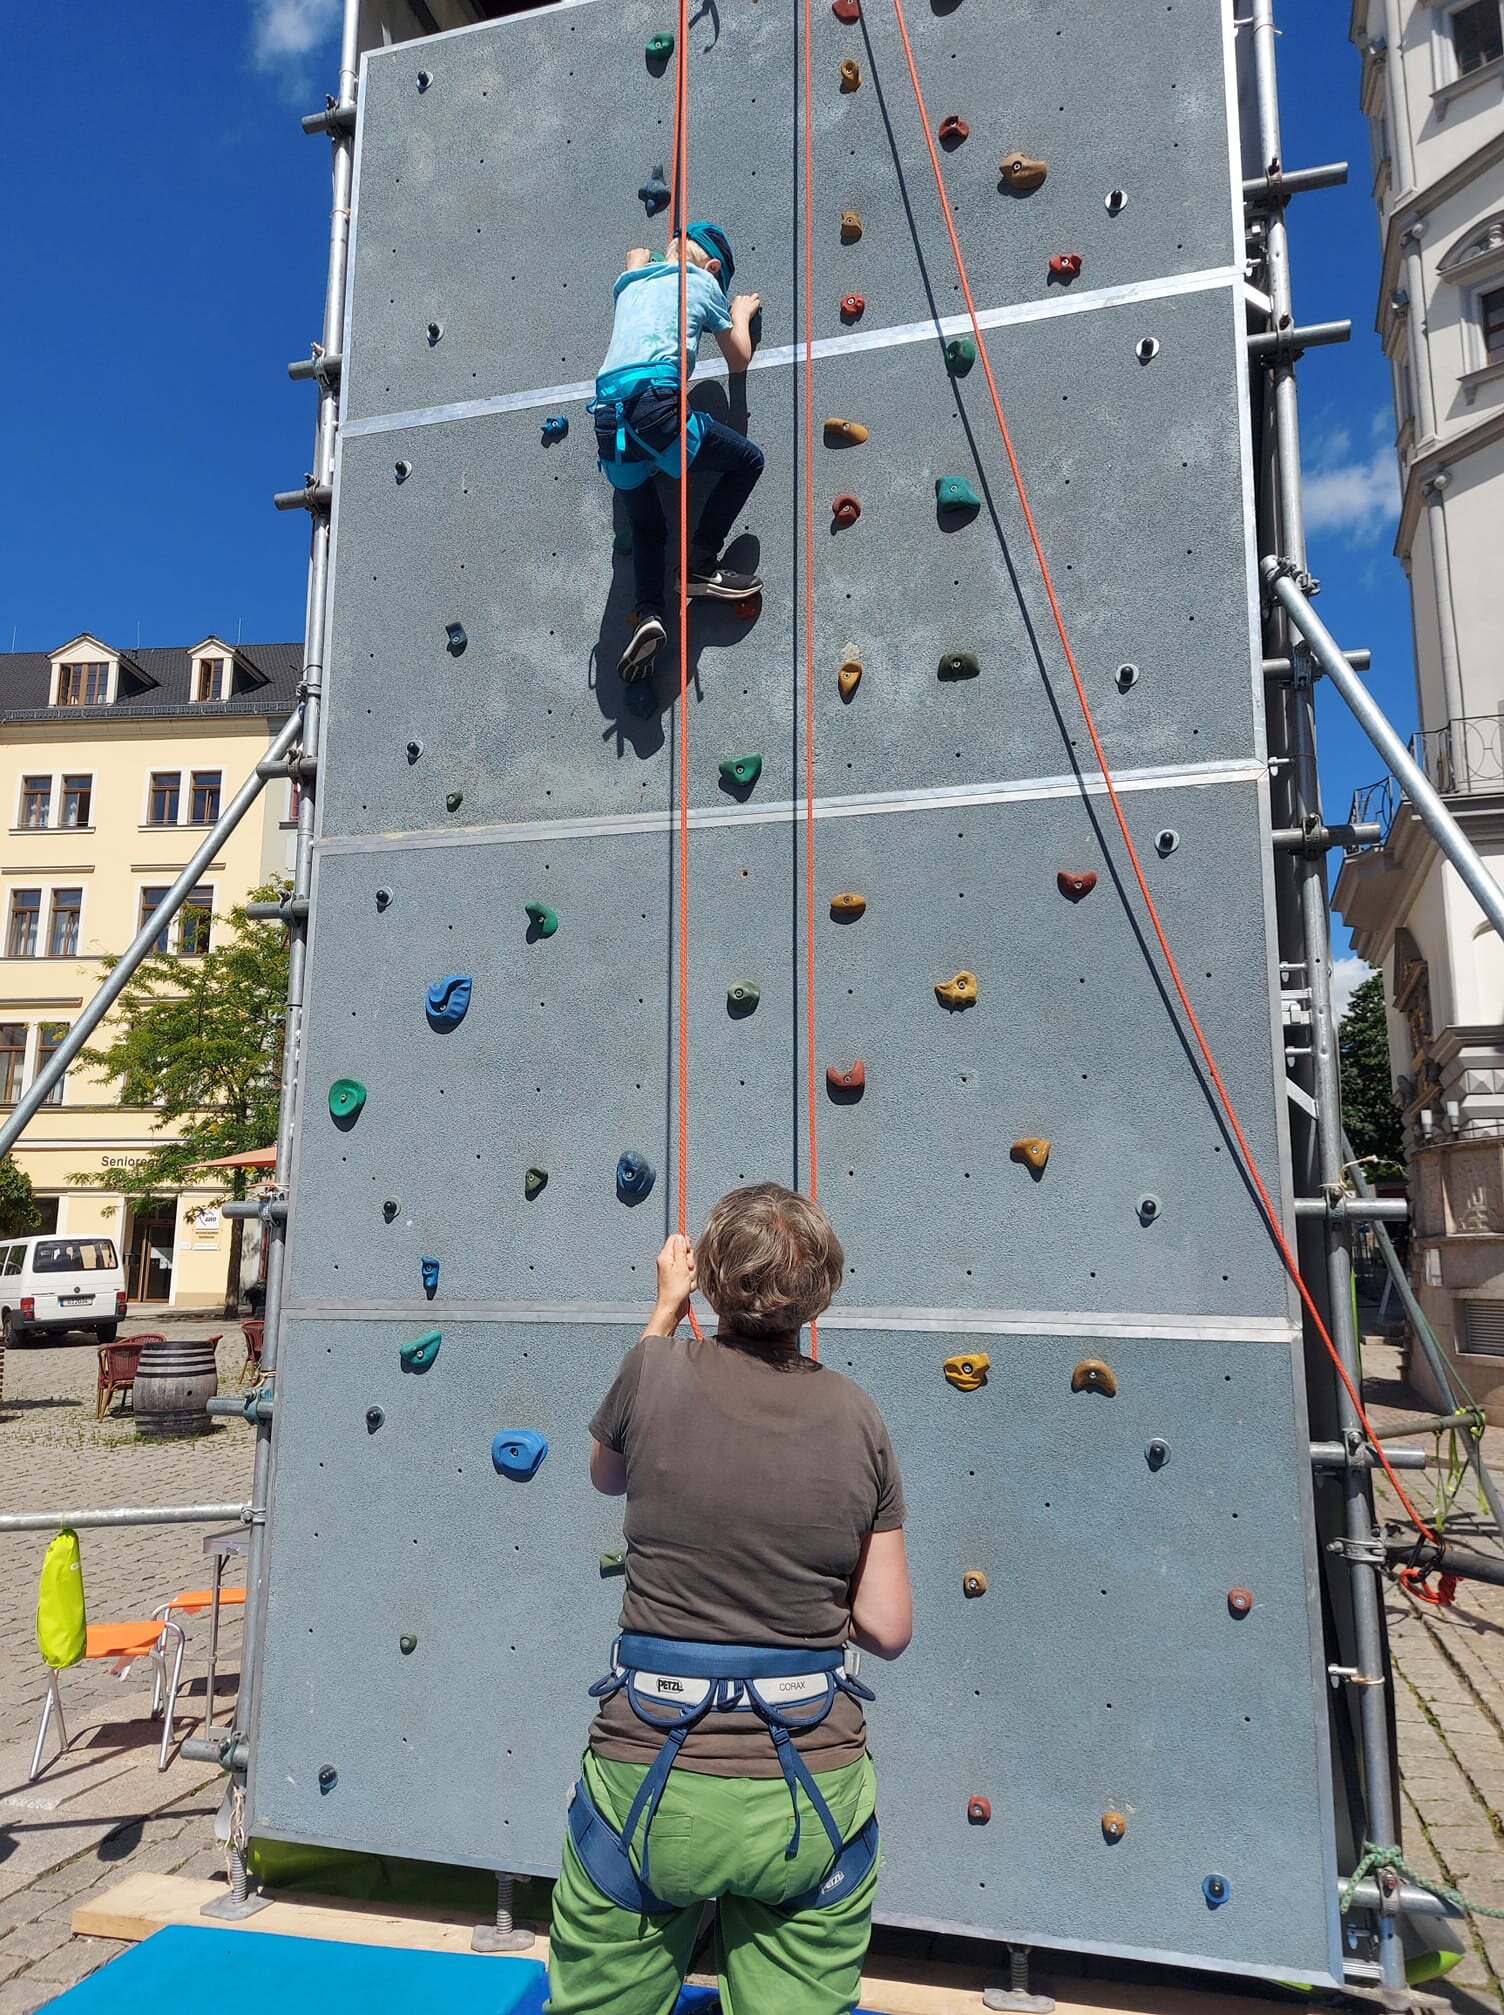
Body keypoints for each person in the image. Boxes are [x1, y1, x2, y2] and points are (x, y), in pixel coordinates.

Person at [545, 1184, 912, 2015]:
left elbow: (607, 1470)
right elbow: (887, 1627)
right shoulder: (859, 1416)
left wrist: (665, 1310)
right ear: (822, 1290)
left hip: (648, 1777)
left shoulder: (656, 1368)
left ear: (708, 1281)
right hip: (807, 1786)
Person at [590, 223, 766, 682]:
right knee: (749, 461)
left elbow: (632, 258)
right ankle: (699, 565)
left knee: (647, 527)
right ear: (711, 267)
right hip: (657, 410)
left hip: (609, 423)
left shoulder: (631, 283)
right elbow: (738, 358)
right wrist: (739, 312)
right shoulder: (703, 282)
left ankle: (650, 612)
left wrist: (644, 259)